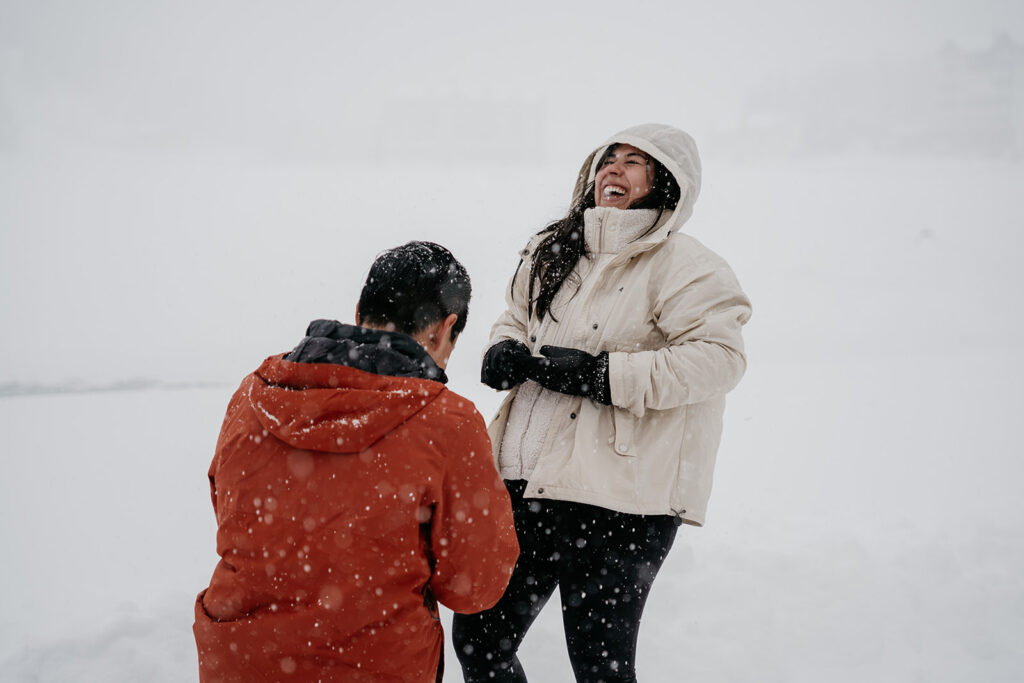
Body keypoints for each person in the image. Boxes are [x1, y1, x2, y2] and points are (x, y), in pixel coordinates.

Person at [452, 124, 752, 683]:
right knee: (480, 641)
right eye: (608, 158)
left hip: (621, 500)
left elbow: (719, 359)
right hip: (525, 482)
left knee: (600, 667)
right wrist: (503, 347)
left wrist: (603, 375)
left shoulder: (688, 266)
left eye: (635, 161)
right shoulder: (555, 248)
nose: (613, 168)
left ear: (667, 182)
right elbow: (516, 315)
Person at [193, 241, 519, 683]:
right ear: (446, 328)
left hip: (238, 662)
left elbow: (231, 511)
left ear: (360, 311)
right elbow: (475, 585)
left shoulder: (252, 396)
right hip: (373, 667)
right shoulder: (448, 422)